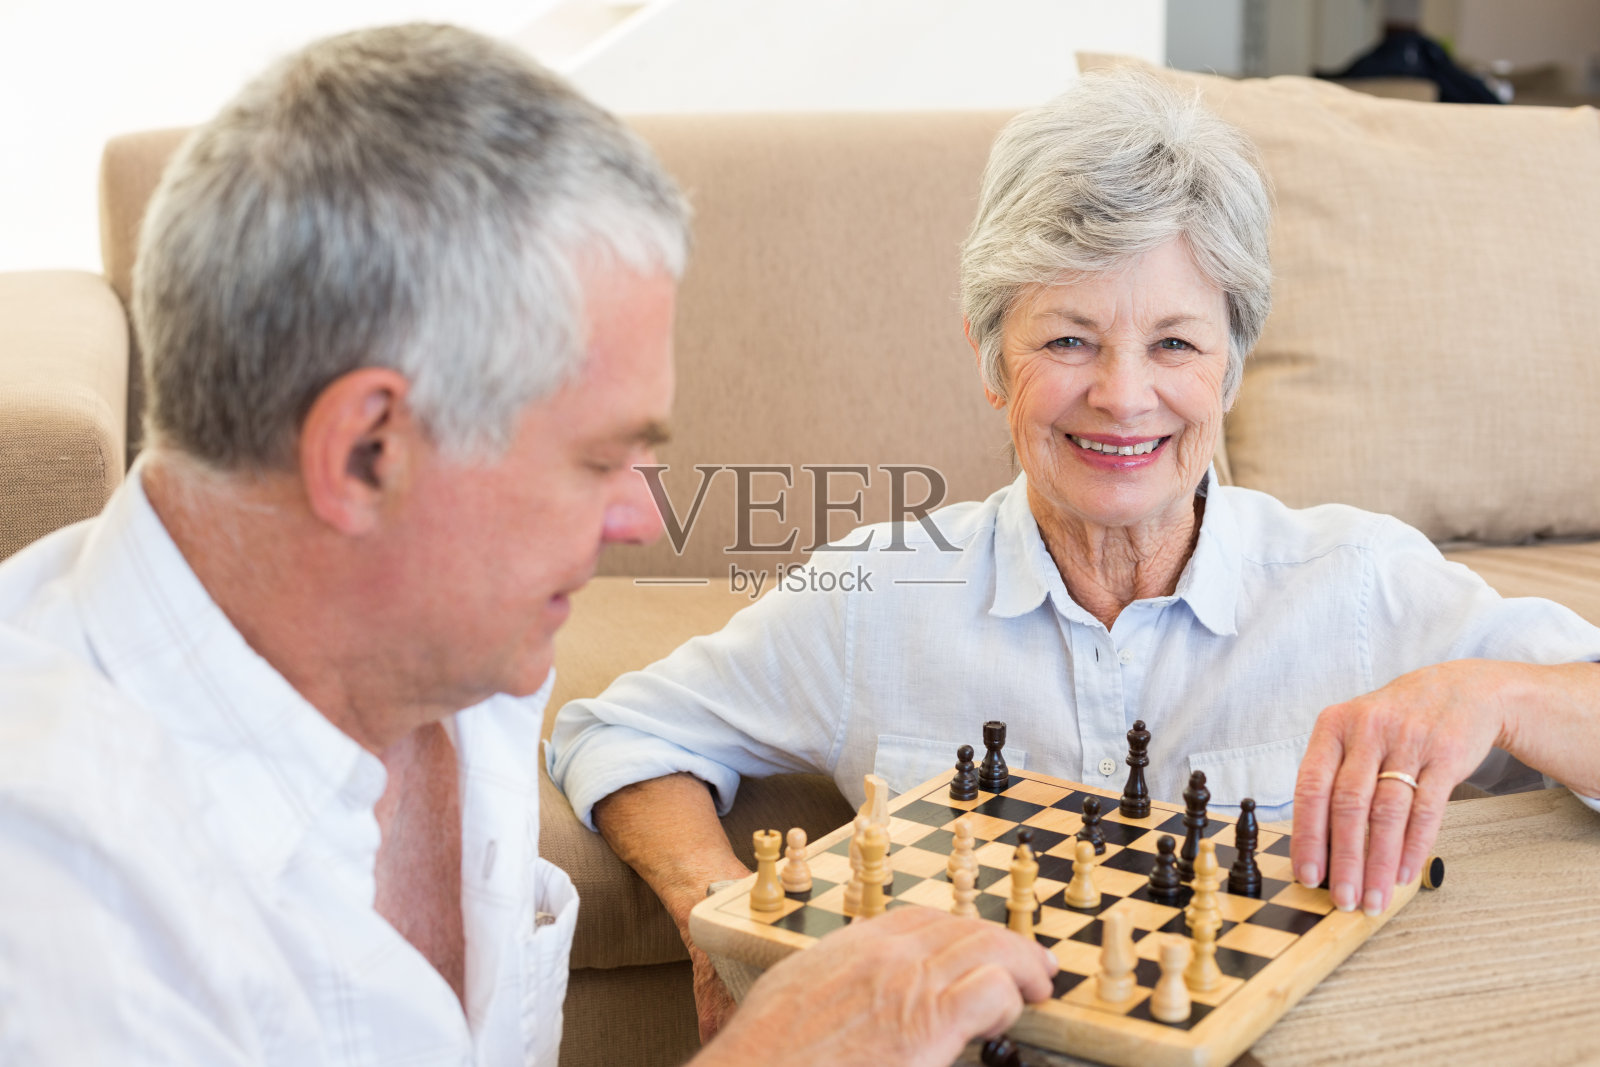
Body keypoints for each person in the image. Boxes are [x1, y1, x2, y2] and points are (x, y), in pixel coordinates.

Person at [0, 23, 1057, 1065]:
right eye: (598, 457)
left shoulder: (460, 665)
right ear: (368, 451)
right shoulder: (57, 897)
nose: (643, 515)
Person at [547, 69, 1600, 1037]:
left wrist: (1496, 694)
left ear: (1231, 367)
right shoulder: (878, 593)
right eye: (1067, 339)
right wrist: (717, 916)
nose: (1123, 395)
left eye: (1175, 342)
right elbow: (620, 731)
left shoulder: (1359, 584)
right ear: (988, 357)